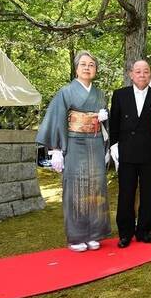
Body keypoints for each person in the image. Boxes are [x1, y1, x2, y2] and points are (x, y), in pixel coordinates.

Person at [36, 50, 111, 252]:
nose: (87, 68)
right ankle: (77, 236)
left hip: (95, 142)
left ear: (96, 70)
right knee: (75, 187)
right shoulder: (66, 92)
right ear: (76, 69)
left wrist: (103, 121)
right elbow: (56, 119)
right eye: (83, 64)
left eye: (91, 65)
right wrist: (56, 149)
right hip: (74, 142)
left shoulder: (100, 94)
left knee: (96, 185)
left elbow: (106, 122)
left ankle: (94, 233)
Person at [109, 60, 151, 248]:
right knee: (126, 193)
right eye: (138, 71)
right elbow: (114, 122)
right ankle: (125, 233)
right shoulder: (120, 95)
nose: (142, 75)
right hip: (126, 152)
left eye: (146, 71)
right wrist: (114, 146)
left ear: (150, 74)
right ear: (131, 74)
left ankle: (144, 231)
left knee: (148, 194)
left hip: (150, 153)